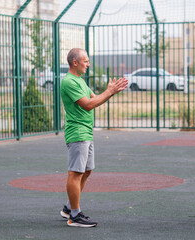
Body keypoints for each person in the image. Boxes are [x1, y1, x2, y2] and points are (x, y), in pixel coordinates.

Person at [59, 48, 128, 228]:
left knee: (87, 170)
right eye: (86, 61)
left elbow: (95, 99)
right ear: (75, 62)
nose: (88, 65)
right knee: (75, 173)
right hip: (77, 133)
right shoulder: (68, 82)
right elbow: (88, 105)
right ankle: (74, 215)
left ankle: (68, 207)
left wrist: (110, 91)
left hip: (86, 132)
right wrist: (110, 92)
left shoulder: (80, 81)